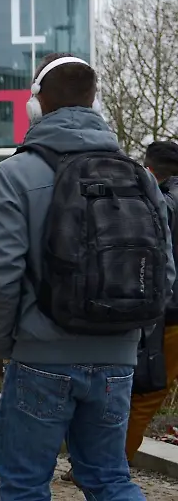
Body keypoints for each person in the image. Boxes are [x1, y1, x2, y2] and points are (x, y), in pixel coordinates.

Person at [0, 53, 175, 500]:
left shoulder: (13, 175)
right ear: (93, 102)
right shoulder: (141, 180)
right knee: (109, 478)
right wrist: (131, 336)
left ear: (36, 105)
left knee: (25, 485)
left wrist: (9, 345)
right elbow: (165, 272)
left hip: (41, 356)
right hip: (118, 357)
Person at [126, 141, 178, 459]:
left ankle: (108, 469)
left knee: (145, 397)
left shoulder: (162, 204)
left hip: (171, 317)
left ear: (150, 170)